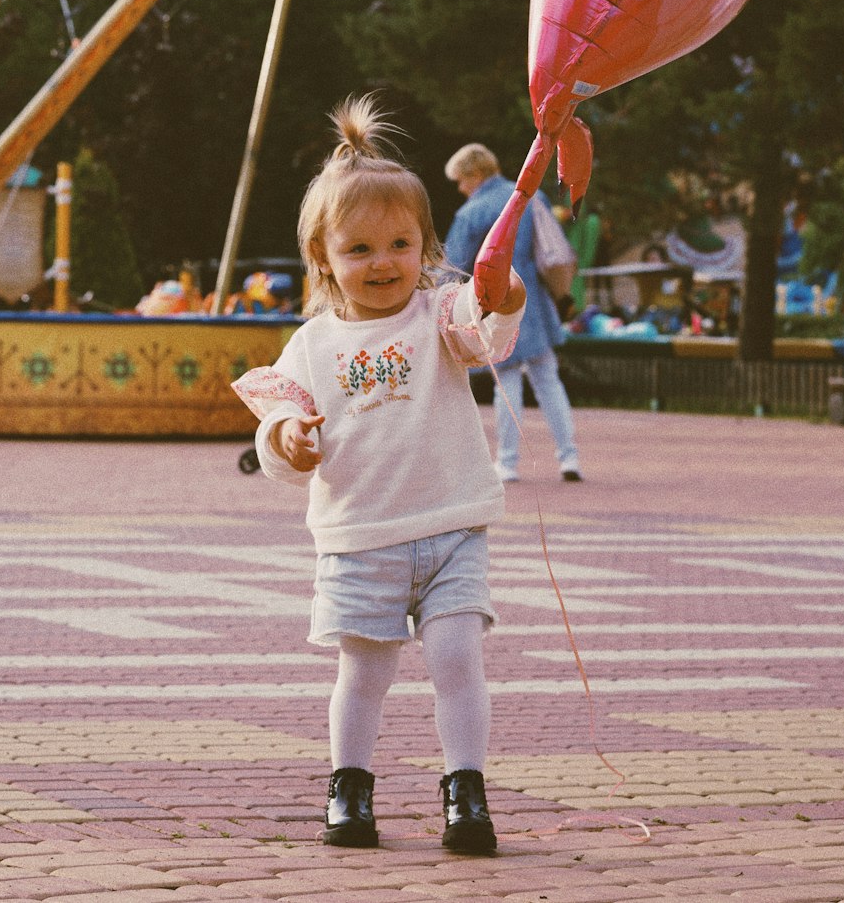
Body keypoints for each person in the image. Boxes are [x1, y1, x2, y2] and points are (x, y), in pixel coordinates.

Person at [231, 96, 525, 856]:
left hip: (452, 527)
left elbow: (483, 328)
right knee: (363, 673)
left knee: (458, 659)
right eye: (359, 249)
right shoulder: (309, 344)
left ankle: (465, 793)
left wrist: (506, 301)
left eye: (401, 242)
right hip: (360, 538)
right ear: (322, 257)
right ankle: (349, 787)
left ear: (425, 244)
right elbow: (276, 430)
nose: (383, 262)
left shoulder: (436, 315)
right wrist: (286, 441)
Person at [444, 143, 582, 484]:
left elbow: (452, 266)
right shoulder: (530, 196)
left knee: (506, 384)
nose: (460, 188)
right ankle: (569, 457)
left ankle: (507, 462)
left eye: (461, 180)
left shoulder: (471, 213)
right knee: (549, 380)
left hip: (497, 306)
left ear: (474, 175)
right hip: (535, 301)